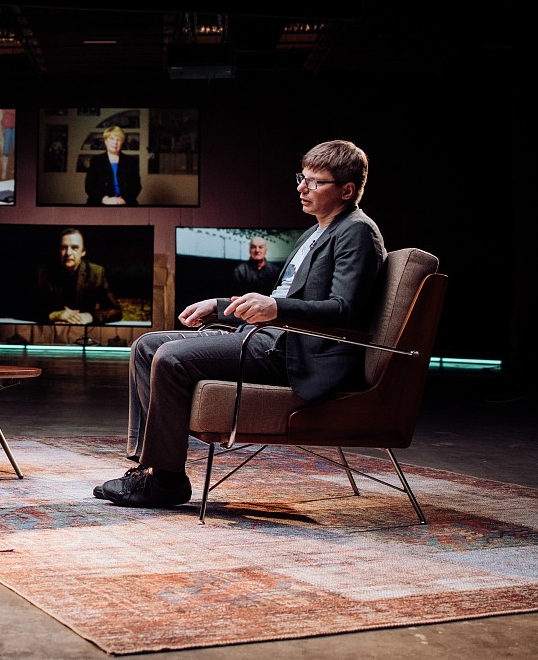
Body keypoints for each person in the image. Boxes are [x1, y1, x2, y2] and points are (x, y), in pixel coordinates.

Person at [94, 140, 386, 509]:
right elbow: (279, 300)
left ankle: (165, 481)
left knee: (170, 357)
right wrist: (219, 307)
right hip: (269, 337)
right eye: (302, 178)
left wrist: (274, 308)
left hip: (293, 352)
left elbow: (344, 309)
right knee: (145, 346)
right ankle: (149, 468)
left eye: (315, 182)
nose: (302, 187)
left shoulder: (357, 231)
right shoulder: (315, 232)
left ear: (346, 190)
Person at [35, 228, 122, 327]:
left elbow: (116, 311)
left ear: (83, 252)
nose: (68, 253)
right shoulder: (42, 273)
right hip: (50, 332)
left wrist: (90, 316)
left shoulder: (96, 273)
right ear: (59, 250)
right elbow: (24, 309)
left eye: (74, 247)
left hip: (84, 332)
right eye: (64, 248)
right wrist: (53, 315)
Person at [84, 125, 142, 205]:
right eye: (112, 139)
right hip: (100, 203)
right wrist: (105, 199)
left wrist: (124, 200)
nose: (115, 142)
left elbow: (136, 186)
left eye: (119, 139)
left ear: (122, 142)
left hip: (124, 203)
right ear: (106, 141)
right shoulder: (96, 161)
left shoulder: (131, 161)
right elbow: (89, 186)